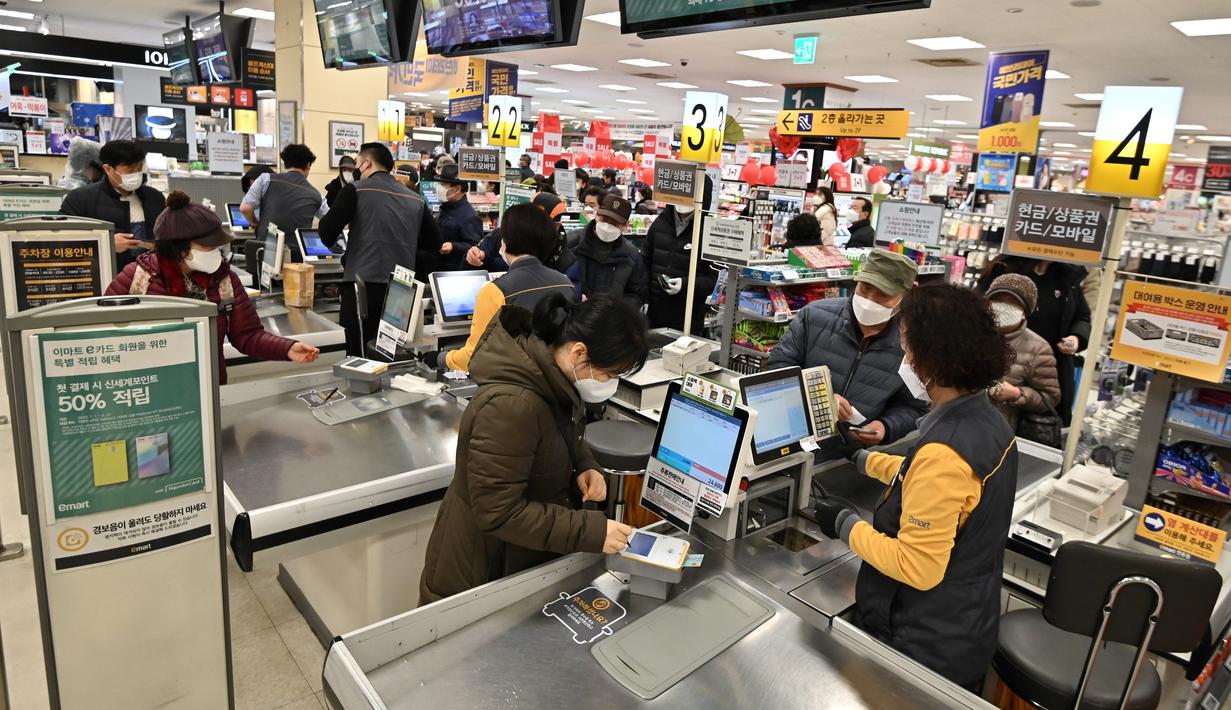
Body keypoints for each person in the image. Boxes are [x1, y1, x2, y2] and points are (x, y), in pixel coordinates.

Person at [812, 283, 1016, 692]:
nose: (905, 359)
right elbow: (926, 478)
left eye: (908, 349)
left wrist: (845, 524)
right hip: (965, 624)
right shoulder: (988, 421)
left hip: (920, 644)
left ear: (932, 360)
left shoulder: (946, 451)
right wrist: (863, 458)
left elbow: (916, 567)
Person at [419, 295, 648, 604]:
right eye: (609, 374)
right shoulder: (511, 405)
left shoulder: (552, 377)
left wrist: (585, 464)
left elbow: (558, 434)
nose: (611, 384)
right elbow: (499, 513)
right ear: (578, 352)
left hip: (518, 558)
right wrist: (591, 531)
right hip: (482, 571)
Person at [104, 192, 319, 383]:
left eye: (217, 246)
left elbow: (248, 335)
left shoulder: (224, 280)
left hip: (207, 387)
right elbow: (104, 335)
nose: (216, 252)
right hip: (146, 390)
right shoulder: (137, 279)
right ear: (179, 248)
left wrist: (287, 348)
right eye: (208, 246)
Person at [768, 250, 926, 459]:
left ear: (905, 298)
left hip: (846, 457)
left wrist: (886, 426)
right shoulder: (814, 316)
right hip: (790, 440)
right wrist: (817, 398)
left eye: (883, 295)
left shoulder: (911, 344)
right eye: (865, 288)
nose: (869, 300)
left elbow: (914, 406)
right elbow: (778, 365)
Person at [318, 142, 441, 356]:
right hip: (401, 288)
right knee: (392, 351)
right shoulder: (416, 199)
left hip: (362, 285)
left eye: (357, 163)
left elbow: (327, 231)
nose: (356, 168)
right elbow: (435, 242)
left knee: (359, 352)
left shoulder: (356, 190)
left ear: (367, 163)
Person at [438, 204, 576, 372]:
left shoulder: (495, 291)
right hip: (557, 378)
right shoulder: (565, 283)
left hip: (514, 379)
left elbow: (475, 357)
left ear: (506, 241)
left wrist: (443, 358)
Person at [977, 256, 1090, 425]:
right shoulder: (1004, 268)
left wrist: (1077, 337)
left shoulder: (1066, 276)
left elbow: (1082, 316)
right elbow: (976, 306)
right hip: (999, 356)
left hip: (1045, 364)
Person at [60, 139, 165, 270]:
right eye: (129, 169)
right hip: (106, 273)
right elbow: (62, 240)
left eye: (139, 168)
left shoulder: (155, 198)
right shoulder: (80, 199)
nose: (136, 174)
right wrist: (106, 244)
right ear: (108, 169)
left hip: (150, 274)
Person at [985, 274, 1061, 430]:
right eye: (998, 300)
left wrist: (1017, 394)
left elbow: (1051, 397)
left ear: (1025, 312)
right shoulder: (969, 332)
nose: (1003, 307)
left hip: (997, 430)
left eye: (1012, 302)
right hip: (953, 420)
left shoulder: (1038, 348)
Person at [642, 176, 715, 333]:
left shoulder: (709, 231)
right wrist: (643, 298)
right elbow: (644, 263)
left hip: (688, 319)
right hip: (653, 315)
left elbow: (714, 279)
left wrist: (685, 284)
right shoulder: (660, 223)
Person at [561, 193, 648, 309]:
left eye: (614, 223)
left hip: (610, 318)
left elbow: (637, 294)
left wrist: (616, 308)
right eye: (604, 219)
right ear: (597, 215)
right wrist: (574, 298)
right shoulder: (571, 243)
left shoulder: (632, 256)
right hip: (572, 315)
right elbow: (555, 281)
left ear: (626, 225)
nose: (607, 226)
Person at [239, 143, 328, 247]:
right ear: (308, 165)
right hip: (297, 251)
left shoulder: (266, 179)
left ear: (285, 164)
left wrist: (255, 224)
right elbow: (330, 220)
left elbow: (245, 208)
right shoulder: (316, 195)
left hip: (267, 247)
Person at [467, 192, 568, 272]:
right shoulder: (504, 233)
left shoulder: (560, 251)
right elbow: (476, 259)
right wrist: (475, 256)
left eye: (556, 225)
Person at [434, 163, 484, 271]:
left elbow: (475, 246)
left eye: (443, 184)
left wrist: (453, 246)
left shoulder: (469, 216)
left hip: (453, 271)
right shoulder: (446, 206)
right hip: (437, 266)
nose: (439, 188)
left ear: (457, 189)